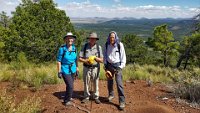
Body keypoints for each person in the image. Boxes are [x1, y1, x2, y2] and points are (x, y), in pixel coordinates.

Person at [103, 31, 126, 110]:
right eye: (110, 37)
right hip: (109, 65)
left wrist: (120, 67)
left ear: (115, 37)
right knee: (109, 82)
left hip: (117, 66)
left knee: (119, 84)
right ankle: (111, 95)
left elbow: (123, 57)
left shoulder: (120, 45)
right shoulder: (106, 45)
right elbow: (105, 56)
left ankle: (122, 101)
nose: (111, 38)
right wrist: (105, 65)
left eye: (113, 37)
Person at [79, 32, 103, 104]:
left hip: (95, 68)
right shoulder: (85, 46)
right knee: (86, 82)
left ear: (96, 40)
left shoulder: (99, 48)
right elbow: (79, 58)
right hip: (86, 67)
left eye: (94, 39)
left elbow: (102, 60)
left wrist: (95, 58)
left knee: (96, 82)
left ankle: (96, 97)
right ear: (89, 39)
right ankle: (86, 97)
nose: (92, 40)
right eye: (91, 38)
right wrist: (86, 61)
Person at [57, 32, 79, 106]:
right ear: (66, 39)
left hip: (73, 68)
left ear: (73, 39)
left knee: (70, 84)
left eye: (71, 38)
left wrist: (77, 68)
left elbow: (76, 59)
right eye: (68, 38)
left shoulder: (74, 48)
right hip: (65, 69)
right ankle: (66, 101)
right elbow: (59, 61)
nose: (70, 39)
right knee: (70, 85)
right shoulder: (62, 49)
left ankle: (68, 96)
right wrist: (59, 71)